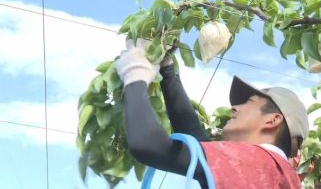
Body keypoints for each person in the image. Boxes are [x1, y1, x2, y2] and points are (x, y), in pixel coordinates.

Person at [115, 39, 309, 188]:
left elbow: (148, 145)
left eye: (249, 102)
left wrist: (135, 75)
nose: (234, 108)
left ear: (272, 120)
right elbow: (195, 137)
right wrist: (167, 72)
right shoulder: (275, 172)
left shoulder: (258, 161)